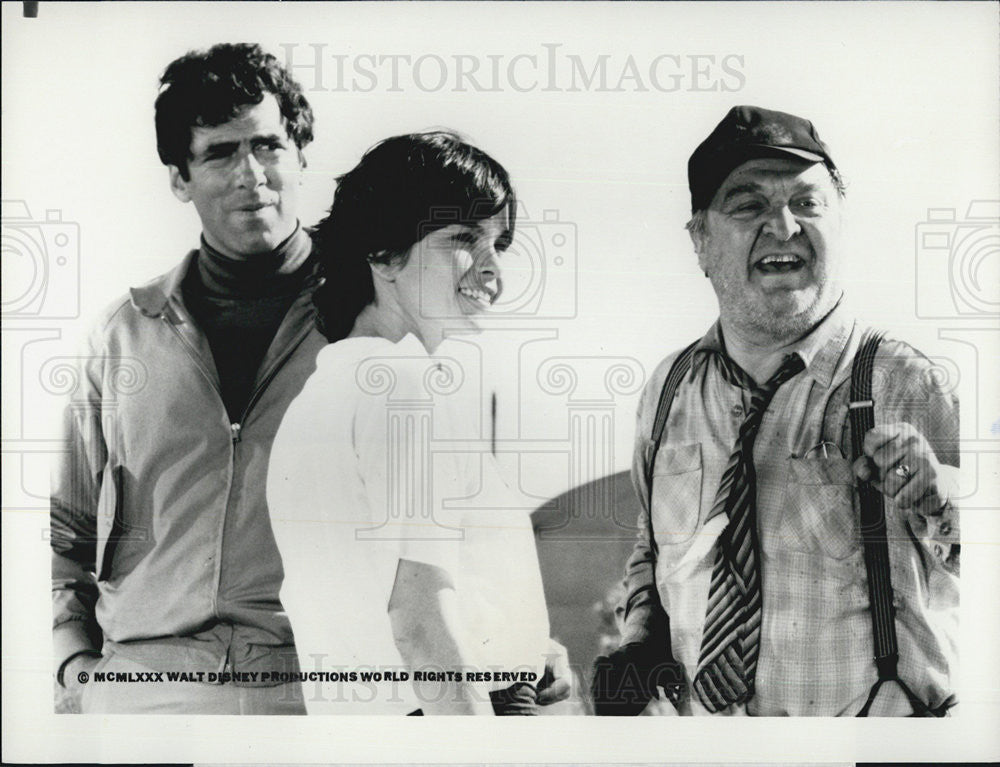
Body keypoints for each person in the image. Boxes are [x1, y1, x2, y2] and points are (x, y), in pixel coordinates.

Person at [593, 106, 959, 716]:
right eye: (748, 205)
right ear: (700, 241)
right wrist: (639, 642)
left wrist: (942, 497)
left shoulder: (908, 382)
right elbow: (652, 550)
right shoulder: (668, 389)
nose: (783, 226)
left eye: (806, 203)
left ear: (839, 221)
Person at [50, 43, 327, 714]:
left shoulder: (370, 319)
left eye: (267, 146)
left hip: (318, 691)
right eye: (220, 153)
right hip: (142, 693)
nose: (251, 174)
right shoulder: (121, 336)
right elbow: (66, 529)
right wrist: (73, 664)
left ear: (300, 155)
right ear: (180, 177)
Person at [267, 131, 570, 715]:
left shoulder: (322, 395)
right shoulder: (402, 386)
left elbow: (376, 595)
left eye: (498, 244)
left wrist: (524, 641)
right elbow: (417, 620)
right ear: (381, 252)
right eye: (462, 238)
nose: (493, 272)